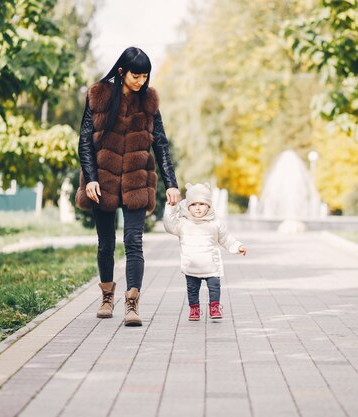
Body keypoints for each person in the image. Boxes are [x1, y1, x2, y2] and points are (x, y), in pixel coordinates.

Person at [75, 47, 180, 327]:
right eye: (136, 76)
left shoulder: (148, 102)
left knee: (134, 242)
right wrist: (92, 177)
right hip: (103, 180)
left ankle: (132, 303)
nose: (141, 82)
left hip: (136, 180)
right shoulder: (99, 95)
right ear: (122, 72)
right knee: (106, 243)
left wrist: (171, 183)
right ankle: (107, 296)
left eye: (145, 76)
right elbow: (84, 141)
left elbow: (160, 143)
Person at [163, 183, 247, 321]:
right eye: (193, 204)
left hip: (211, 265)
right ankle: (194, 309)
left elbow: (226, 238)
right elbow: (169, 225)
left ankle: (214, 307)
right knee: (192, 290)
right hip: (192, 265)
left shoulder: (215, 223)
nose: (197, 207)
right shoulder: (183, 223)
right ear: (187, 206)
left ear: (208, 205)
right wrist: (171, 208)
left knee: (215, 287)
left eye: (202, 204)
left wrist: (237, 246)